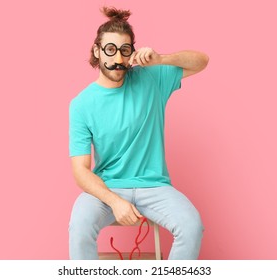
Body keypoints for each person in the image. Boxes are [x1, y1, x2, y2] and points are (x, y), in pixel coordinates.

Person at [68, 6, 209, 260]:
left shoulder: (150, 78)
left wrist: (161, 59)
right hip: (108, 187)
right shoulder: (81, 104)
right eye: (110, 49)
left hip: (155, 186)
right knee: (79, 226)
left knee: (192, 225)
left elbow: (202, 61)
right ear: (97, 51)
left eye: (125, 50)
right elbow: (80, 171)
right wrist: (113, 200)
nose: (118, 59)